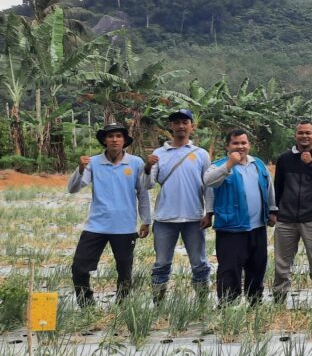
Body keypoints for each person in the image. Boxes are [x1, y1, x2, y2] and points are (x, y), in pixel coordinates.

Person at [68, 123, 152, 307]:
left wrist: (146, 221)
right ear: (104, 140)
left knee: (124, 270)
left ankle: (122, 305)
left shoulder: (136, 162)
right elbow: (73, 188)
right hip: (96, 225)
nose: (114, 139)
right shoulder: (93, 163)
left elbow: (143, 193)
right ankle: (87, 305)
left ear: (124, 140)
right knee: (79, 268)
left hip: (125, 227)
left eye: (118, 136)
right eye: (110, 136)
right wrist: (80, 169)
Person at [204, 129, 277, 304]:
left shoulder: (258, 164)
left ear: (249, 145)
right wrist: (229, 164)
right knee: (230, 269)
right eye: (235, 143)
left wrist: (272, 210)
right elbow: (209, 182)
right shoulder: (218, 166)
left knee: (257, 266)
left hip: (257, 226)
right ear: (228, 146)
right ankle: (229, 304)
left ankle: (254, 301)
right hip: (231, 227)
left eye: (244, 143)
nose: (240, 147)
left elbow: (268, 188)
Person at [145, 109, 211, 302]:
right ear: (170, 127)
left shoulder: (201, 154)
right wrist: (147, 167)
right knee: (161, 264)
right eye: (176, 123)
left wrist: (210, 213)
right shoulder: (158, 153)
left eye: (185, 122)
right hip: (164, 218)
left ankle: (202, 302)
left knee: (199, 263)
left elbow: (208, 187)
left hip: (194, 218)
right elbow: (148, 184)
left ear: (192, 126)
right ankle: (158, 303)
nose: (181, 126)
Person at [272, 121, 312, 306]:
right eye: (300, 133)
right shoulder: (284, 159)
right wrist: (274, 211)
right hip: (286, 219)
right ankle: (279, 299)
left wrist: (311, 165)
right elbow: (278, 187)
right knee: (282, 263)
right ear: (295, 136)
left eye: (308, 133)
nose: (304, 136)